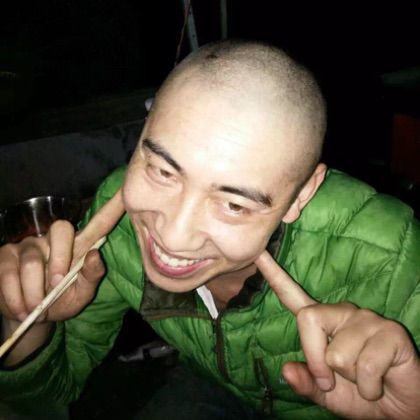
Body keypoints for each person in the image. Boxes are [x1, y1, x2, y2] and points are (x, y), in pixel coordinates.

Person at [0, 40, 419, 419]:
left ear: (301, 195)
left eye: (234, 204)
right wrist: (29, 317)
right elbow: (45, 402)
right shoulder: (117, 221)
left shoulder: (391, 256)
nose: (173, 236)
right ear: (144, 134)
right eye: (163, 171)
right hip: (211, 381)